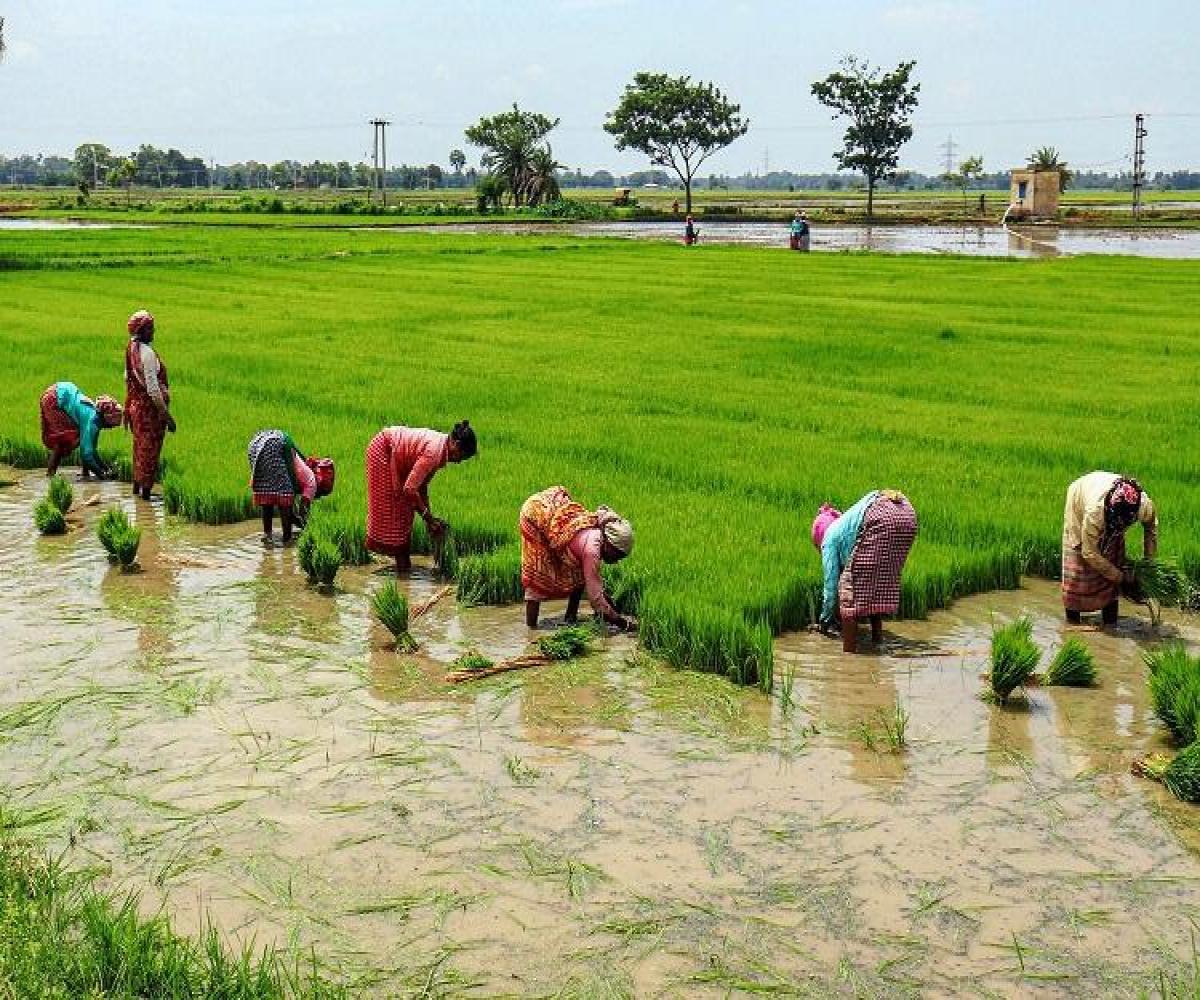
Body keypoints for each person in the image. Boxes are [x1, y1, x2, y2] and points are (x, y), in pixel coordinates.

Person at [812, 490, 919, 652]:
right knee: (872, 586)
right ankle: (877, 643)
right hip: (906, 511)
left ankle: (849, 656)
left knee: (848, 592)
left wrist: (824, 622)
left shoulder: (829, 539)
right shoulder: (846, 527)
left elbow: (831, 589)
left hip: (881, 512)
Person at [519, 485, 637, 631]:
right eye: (617, 555)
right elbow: (595, 600)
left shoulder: (598, 537)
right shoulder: (592, 550)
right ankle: (531, 632)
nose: (617, 561)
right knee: (537, 575)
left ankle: (570, 618)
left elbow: (591, 583)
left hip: (551, 512)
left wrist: (608, 604)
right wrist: (623, 624)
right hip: (534, 515)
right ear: (609, 544)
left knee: (580, 575)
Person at [365, 421, 477, 571]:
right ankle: (403, 570)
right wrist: (428, 519)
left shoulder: (441, 449)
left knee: (405, 514)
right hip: (384, 451)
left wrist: (429, 518)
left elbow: (421, 485)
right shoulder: (434, 452)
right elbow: (410, 489)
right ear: (455, 444)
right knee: (397, 513)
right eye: (461, 457)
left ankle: (403, 568)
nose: (458, 462)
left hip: (397, 456)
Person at [1061, 471, 1157, 625]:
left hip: (1106, 506)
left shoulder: (1142, 506)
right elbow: (1089, 552)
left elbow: (1150, 529)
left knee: (1112, 563)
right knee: (1077, 569)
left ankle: (1111, 624)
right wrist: (1121, 577)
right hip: (1078, 504)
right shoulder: (1095, 512)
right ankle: (1072, 623)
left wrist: (1148, 563)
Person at [247, 429, 335, 544]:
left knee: (267, 494)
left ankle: (267, 536)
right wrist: (309, 529)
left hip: (255, 445)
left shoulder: (302, 469)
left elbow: (294, 514)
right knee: (285, 497)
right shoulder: (312, 483)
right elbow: (303, 513)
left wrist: (293, 518)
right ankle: (287, 540)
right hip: (274, 444)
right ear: (320, 489)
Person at [123, 309, 176, 500]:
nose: (153, 332)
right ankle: (145, 496)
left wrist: (128, 407)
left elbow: (127, 379)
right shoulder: (147, 354)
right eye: (151, 329)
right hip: (149, 413)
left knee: (139, 449)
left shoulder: (131, 348)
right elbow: (153, 390)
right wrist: (167, 416)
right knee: (149, 452)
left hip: (136, 409)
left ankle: (136, 490)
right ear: (143, 331)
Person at [39, 381, 122, 478]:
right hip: (54, 399)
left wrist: (105, 468)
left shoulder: (95, 419)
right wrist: (101, 474)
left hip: (63, 391)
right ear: (106, 419)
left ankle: (85, 473)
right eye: (112, 426)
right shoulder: (92, 422)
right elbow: (86, 455)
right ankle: (50, 474)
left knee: (84, 439)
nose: (111, 428)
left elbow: (92, 450)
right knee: (62, 440)